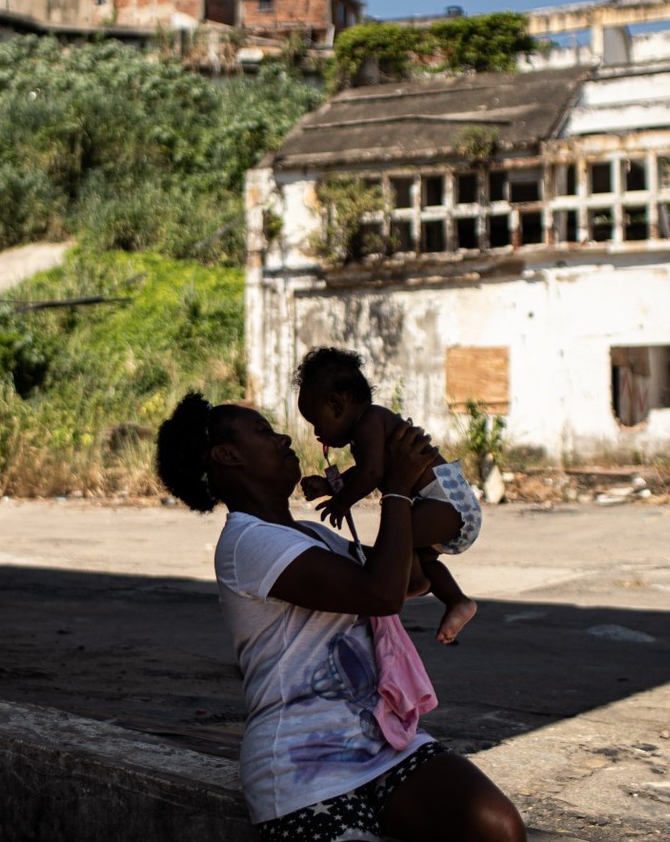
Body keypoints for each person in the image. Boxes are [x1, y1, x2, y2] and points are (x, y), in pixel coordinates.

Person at [155, 392, 526, 842]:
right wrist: (395, 490)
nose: (284, 437)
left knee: (496, 827)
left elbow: (407, 579)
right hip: (301, 764)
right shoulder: (247, 543)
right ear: (227, 455)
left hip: (382, 743)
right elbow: (382, 594)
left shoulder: (311, 535)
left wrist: (409, 481)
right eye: (264, 432)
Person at [295, 347, 482, 645]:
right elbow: (369, 471)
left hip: (446, 502)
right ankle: (457, 600)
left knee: (395, 542)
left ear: (336, 404)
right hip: (439, 506)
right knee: (417, 558)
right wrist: (331, 486)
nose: (317, 433)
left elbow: (370, 474)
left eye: (316, 422)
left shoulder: (370, 421)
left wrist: (342, 500)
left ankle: (387, 586)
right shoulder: (365, 431)